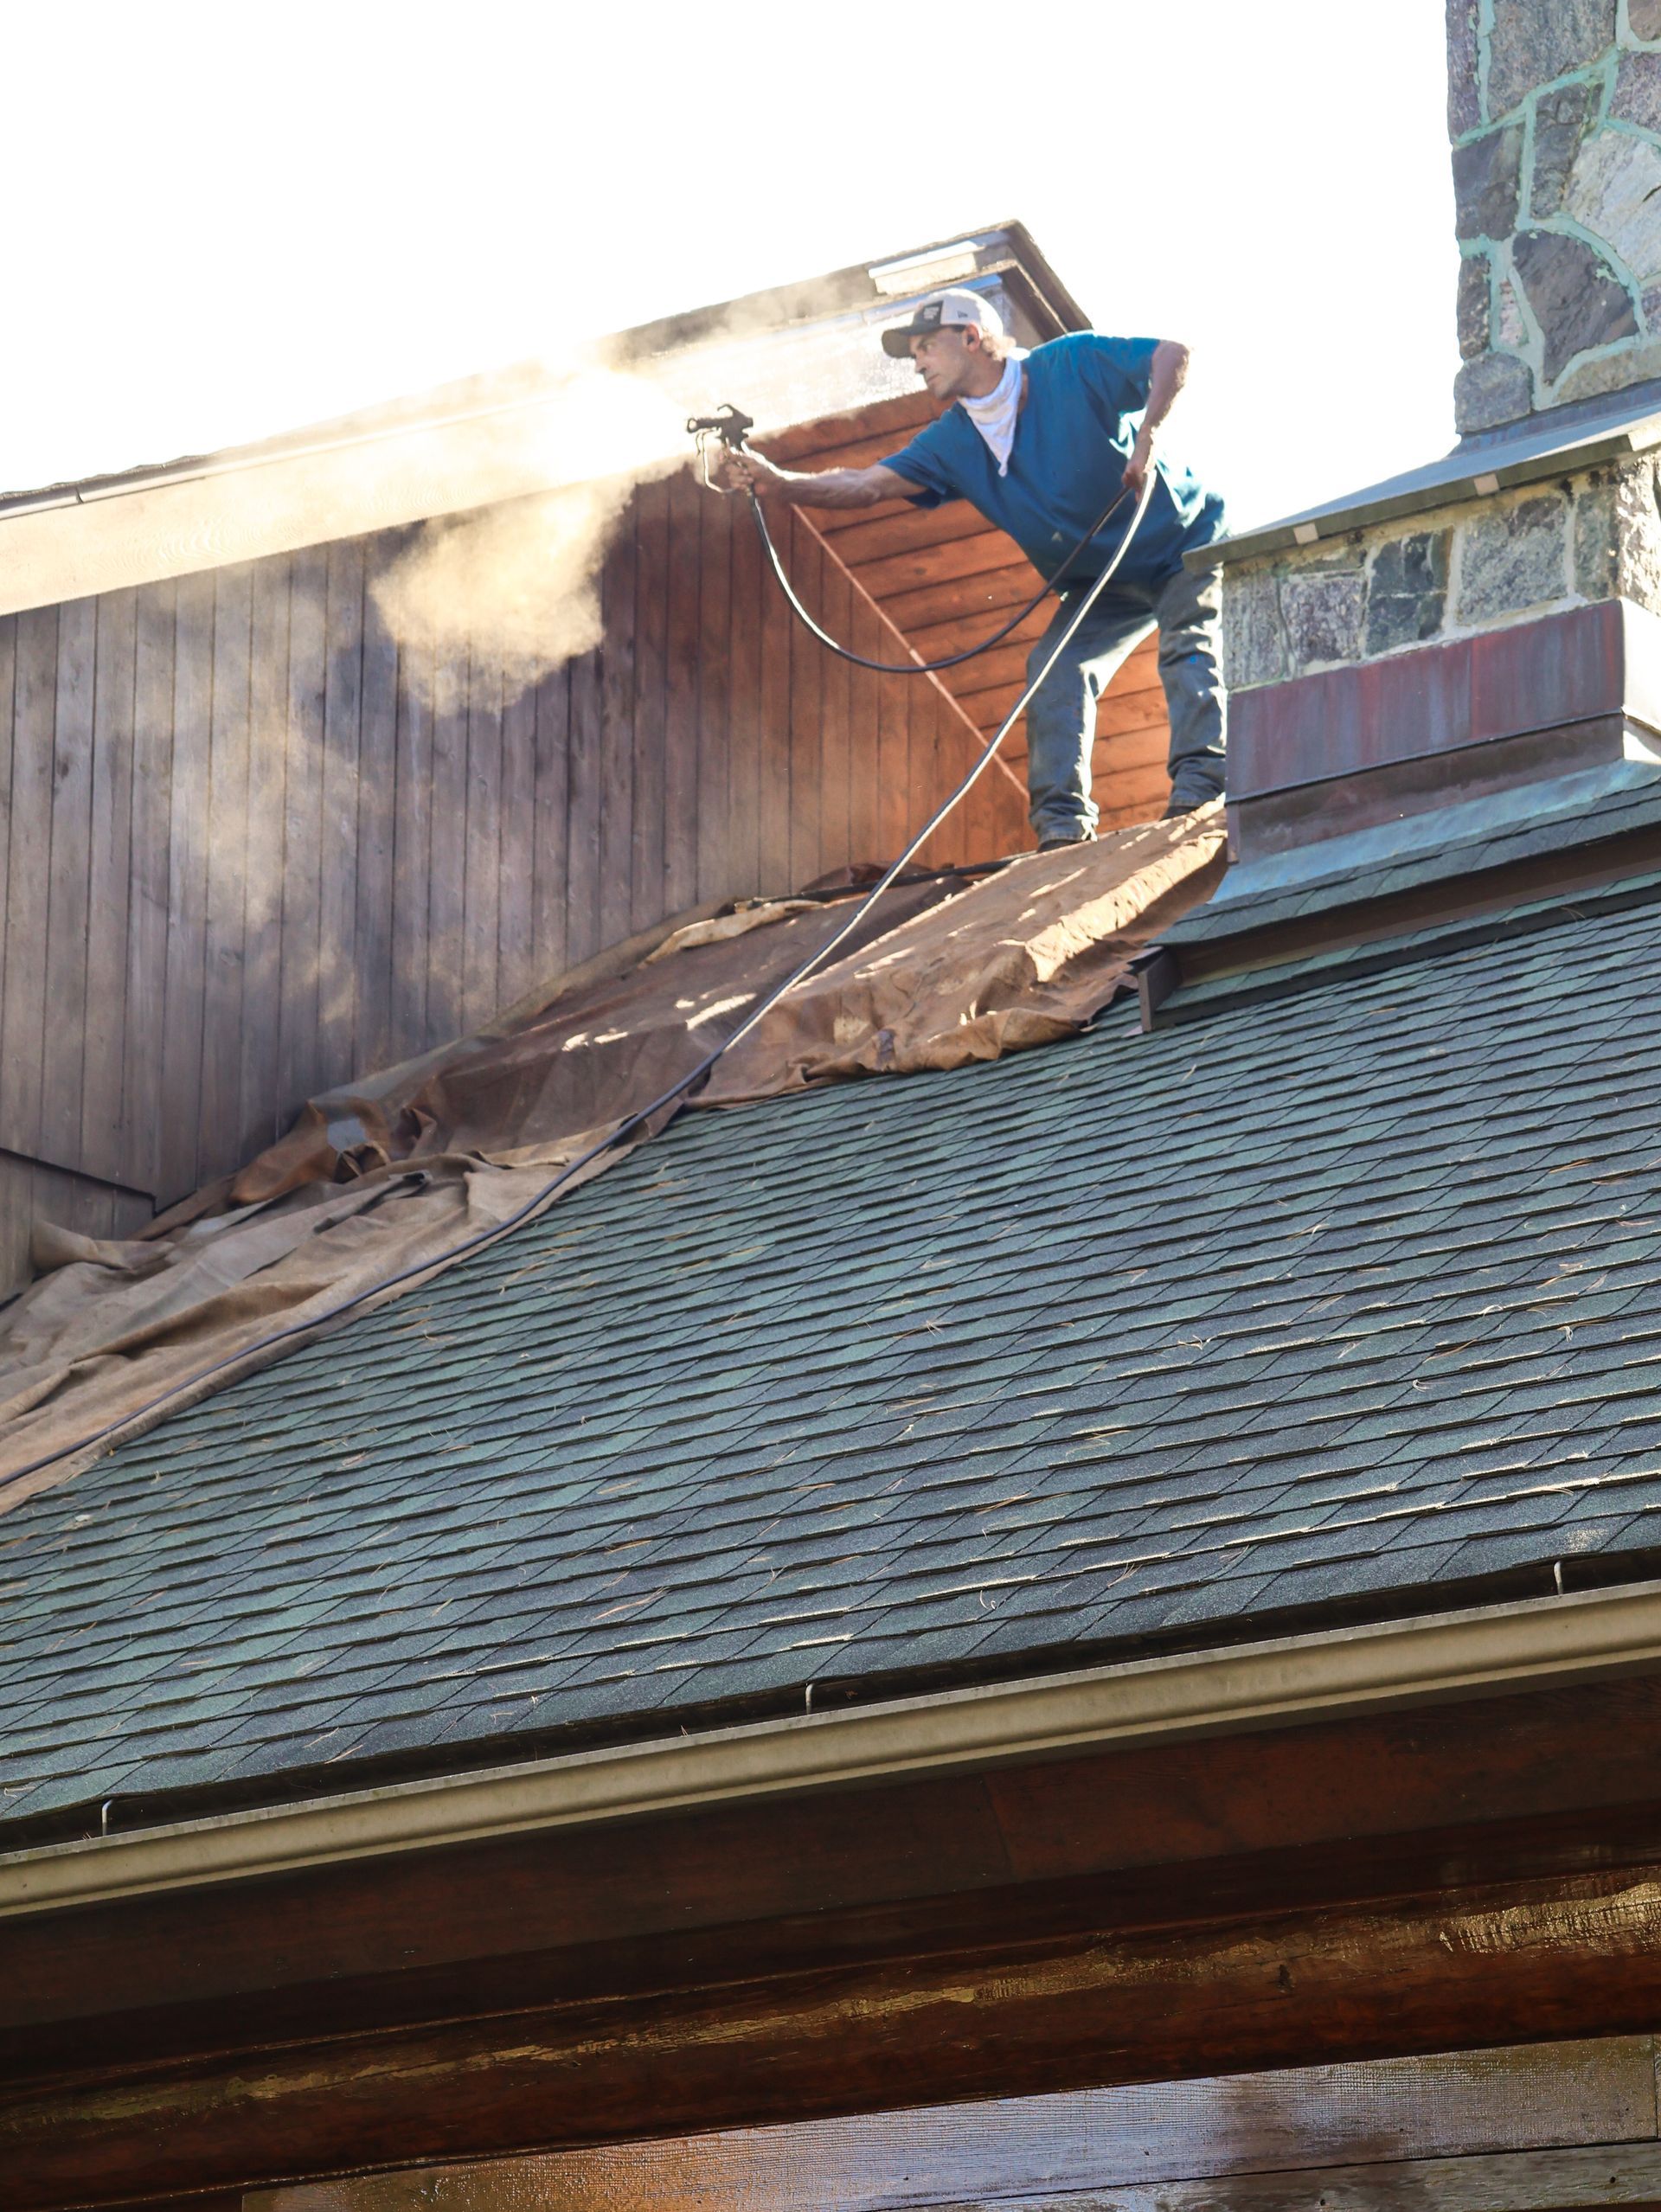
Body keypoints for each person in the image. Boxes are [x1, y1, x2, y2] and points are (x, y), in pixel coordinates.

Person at [715, 288, 1227, 849]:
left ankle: (1201, 790)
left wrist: (1147, 434)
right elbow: (867, 485)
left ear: (972, 337)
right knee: (1055, 669)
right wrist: (780, 483)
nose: (918, 363)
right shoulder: (950, 443)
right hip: (1096, 582)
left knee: (1186, 641)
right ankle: (1061, 830)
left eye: (926, 347)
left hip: (1177, 538)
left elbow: (1173, 354)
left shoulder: (1070, 363)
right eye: (913, 354)